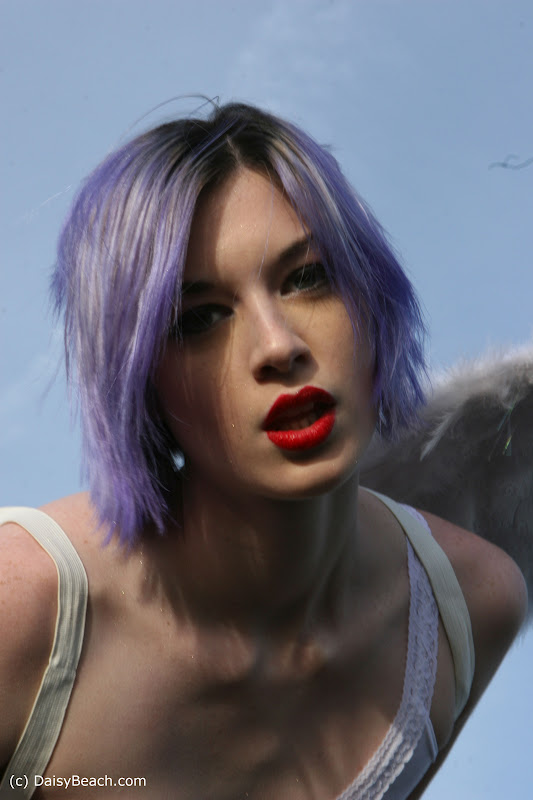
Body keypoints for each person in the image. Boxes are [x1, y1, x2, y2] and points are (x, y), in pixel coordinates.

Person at [0, 102, 527, 799]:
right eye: (199, 318)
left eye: (307, 277)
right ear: (137, 380)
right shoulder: (21, 607)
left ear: (372, 296)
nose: (279, 346)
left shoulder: (470, 607)